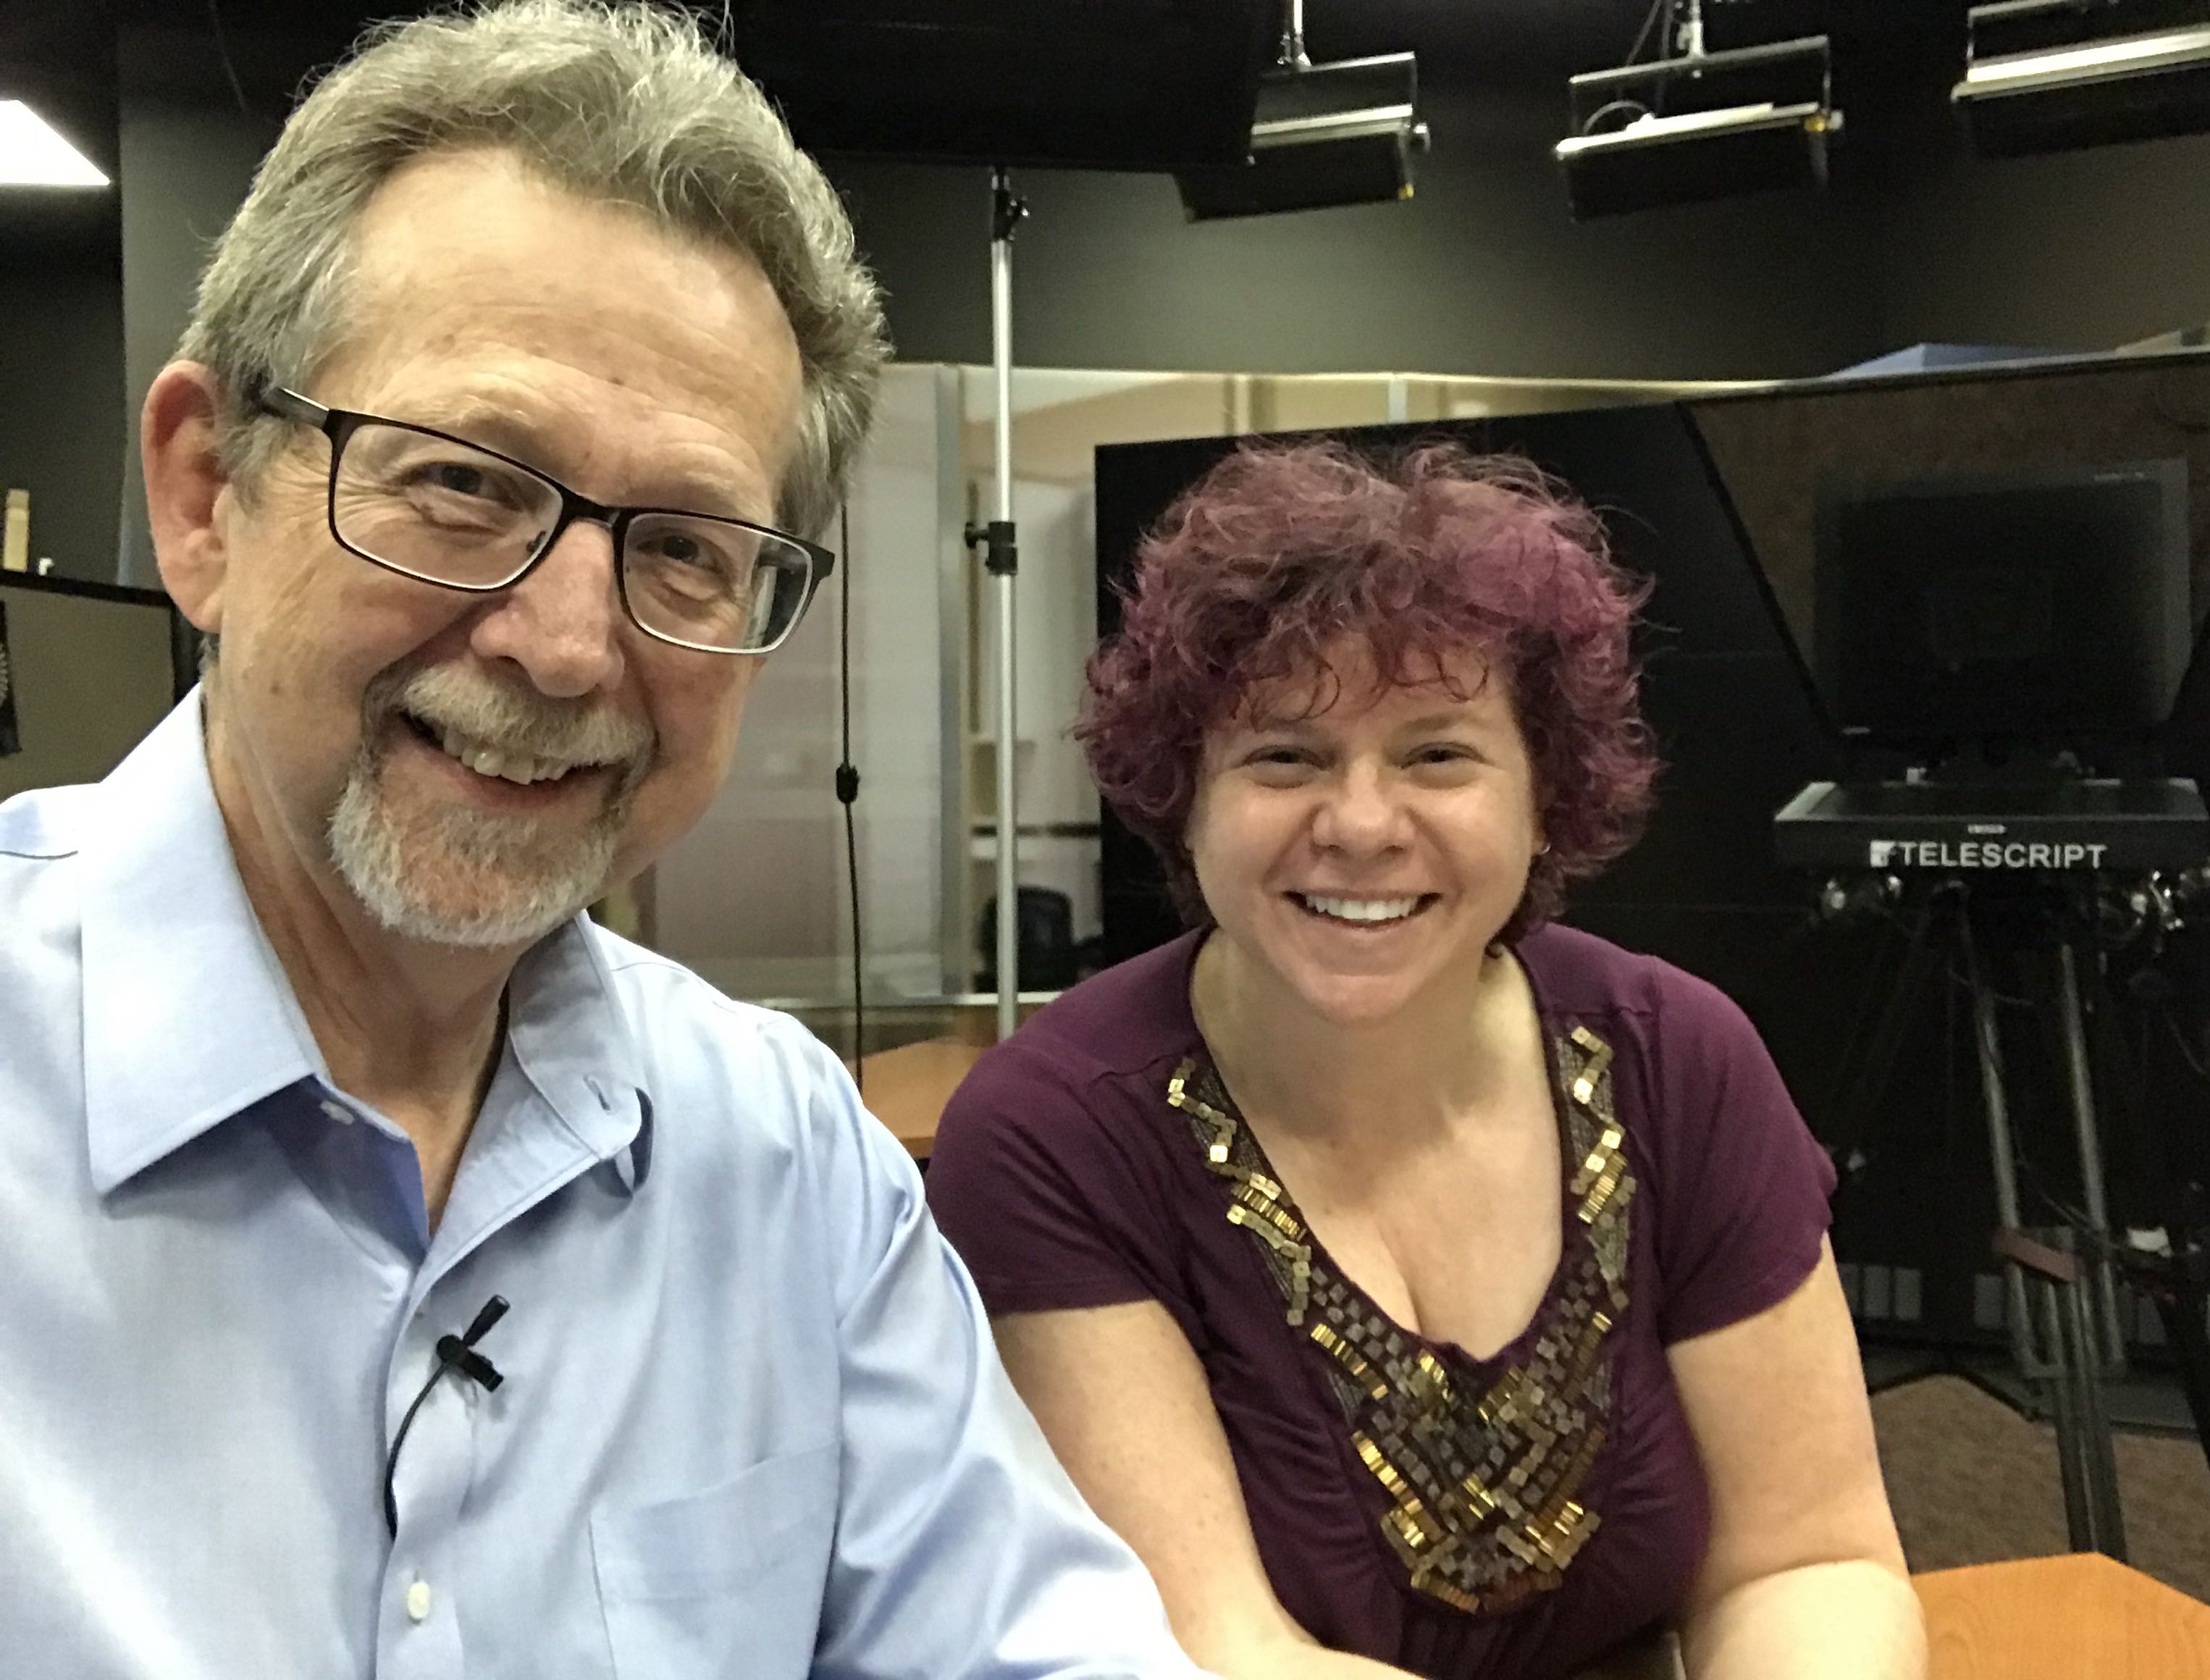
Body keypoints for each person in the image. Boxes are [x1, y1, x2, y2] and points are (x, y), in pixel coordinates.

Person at [0, 4, 1206, 1675]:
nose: (568, 647)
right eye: (468, 483)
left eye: (688, 550)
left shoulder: (789, 1169)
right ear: (206, 495)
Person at [926, 441, 1927, 1680]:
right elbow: (1219, 1649)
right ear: (1184, 798)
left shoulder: (1680, 1061)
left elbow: (1809, 1564)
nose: (1358, 824)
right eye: (1283, 755)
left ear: (1545, 796)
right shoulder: (1056, 1133)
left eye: (1437, 754)